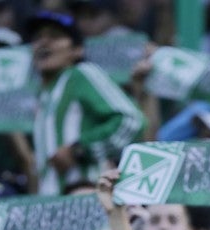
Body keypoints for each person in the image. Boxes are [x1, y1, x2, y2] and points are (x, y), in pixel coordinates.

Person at [29, 11, 144, 194]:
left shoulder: (81, 74)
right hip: (53, 204)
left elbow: (130, 120)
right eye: (37, 38)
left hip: (87, 197)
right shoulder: (42, 95)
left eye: (55, 37)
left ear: (77, 50)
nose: (43, 43)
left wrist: (79, 150)